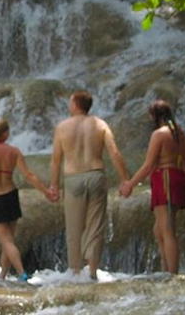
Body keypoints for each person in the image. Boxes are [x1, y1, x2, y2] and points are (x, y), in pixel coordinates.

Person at [50, 90, 128, 280]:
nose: (69, 106)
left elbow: (55, 161)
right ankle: (92, 272)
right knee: (95, 227)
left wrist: (54, 186)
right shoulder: (100, 125)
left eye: (70, 103)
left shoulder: (62, 127)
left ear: (75, 104)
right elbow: (115, 153)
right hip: (96, 176)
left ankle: (76, 274)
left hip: (73, 178)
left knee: (74, 228)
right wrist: (125, 179)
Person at [0, 117, 57, 281]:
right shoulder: (14, 151)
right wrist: (46, 192)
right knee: (7, 241)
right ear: (5, 134)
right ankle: (2, 277)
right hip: (10, 197)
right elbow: (29, 175)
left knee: (7, 242)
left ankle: (21, 273)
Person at [119, 101, 185, 274]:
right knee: (158, 229)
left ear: (154, 116)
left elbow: (148, 165)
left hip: (165, 178)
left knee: (167, 229)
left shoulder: (159, 134)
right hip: (177, 177)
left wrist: (130, 184)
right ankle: (166, 269)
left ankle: (172, 273)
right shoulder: (180, 133)